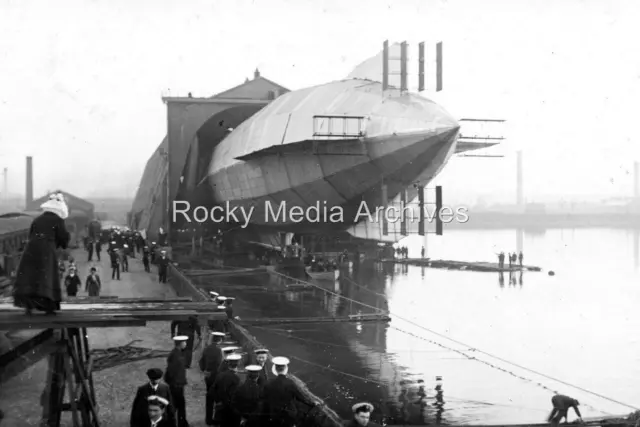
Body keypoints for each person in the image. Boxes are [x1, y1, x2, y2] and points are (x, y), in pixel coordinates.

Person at [13, 193, 70, 315]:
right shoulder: (58, 220)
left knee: (30, 276)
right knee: (46, 276)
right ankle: (48, 307)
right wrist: (62, 244)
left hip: (31, 249)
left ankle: (29, 306)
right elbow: (63, 237)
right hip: (46, 250)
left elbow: (31, 234)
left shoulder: (37, 219)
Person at [263, 356, 318, 427]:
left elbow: (264, 399)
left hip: (274, 416)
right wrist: (313, 403)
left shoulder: (269, 383)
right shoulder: (290, 383)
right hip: (288, 417)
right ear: (286, 368)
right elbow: (301, 398)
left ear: (275, 369)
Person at [211, 353, 242, 427]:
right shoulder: (236, 379)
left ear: (228, 363)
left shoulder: (220, 375)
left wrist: (218, 401)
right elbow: (233, 396)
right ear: (238, 363)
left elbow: (212, 390)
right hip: (230, 411)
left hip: (220, 409)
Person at [164, 336, 189, 427]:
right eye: (184, 342)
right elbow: (171, 371)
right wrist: (173, 383)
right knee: (179, 405)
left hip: (178, 384)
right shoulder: (176, 355)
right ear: (180, 343)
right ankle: (181, 424)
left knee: (176, 405)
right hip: (176, 385)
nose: (186, 343)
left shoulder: (177, 353)